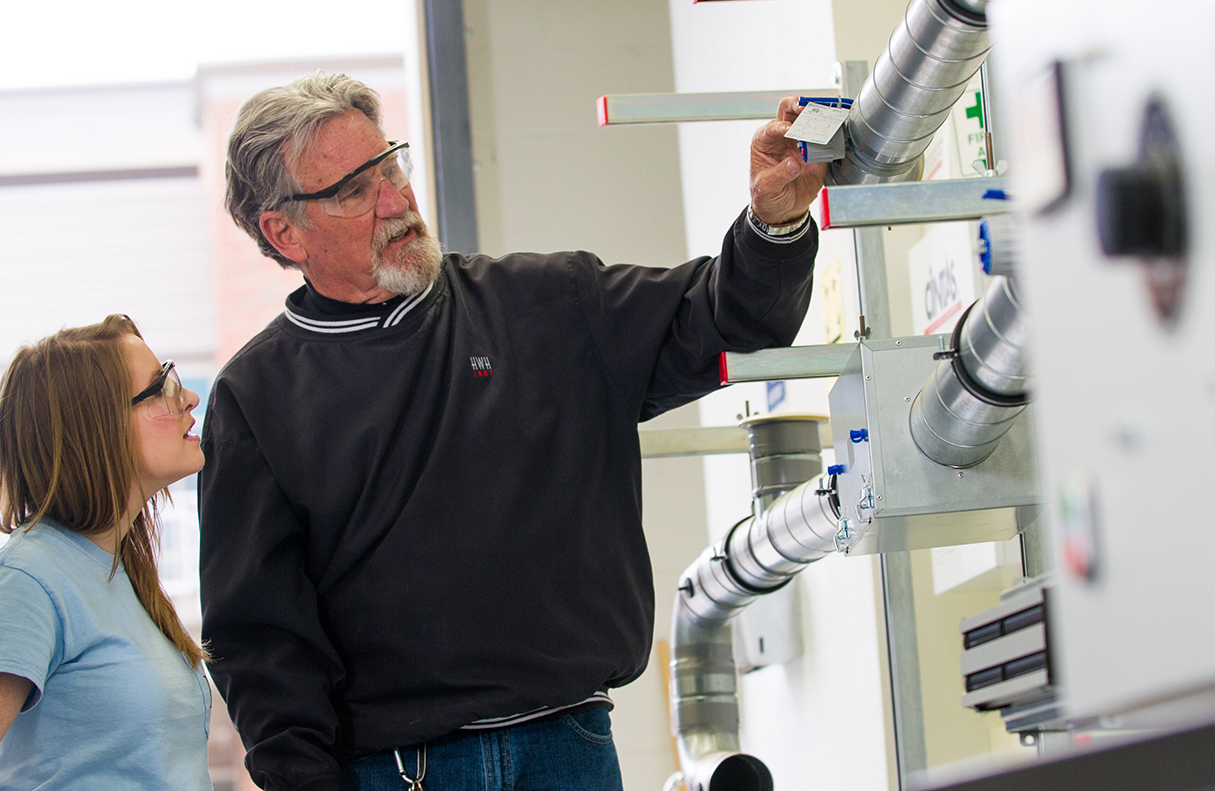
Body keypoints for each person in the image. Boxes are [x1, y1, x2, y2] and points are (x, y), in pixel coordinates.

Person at [199, 72, 824, 790]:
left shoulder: (547, 304)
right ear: (284, 231)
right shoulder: (255, 398)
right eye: (353, 190)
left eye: (392, 165)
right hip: (400, 772)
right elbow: (259, 641)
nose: (397, 201)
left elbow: (729, 318)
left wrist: (773, 223)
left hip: (573, 748)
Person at [0, 315, 212, 791]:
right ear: (98, 426)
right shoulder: (27, 580)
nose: (188, 398)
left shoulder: (117, 569)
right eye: (161, 386)